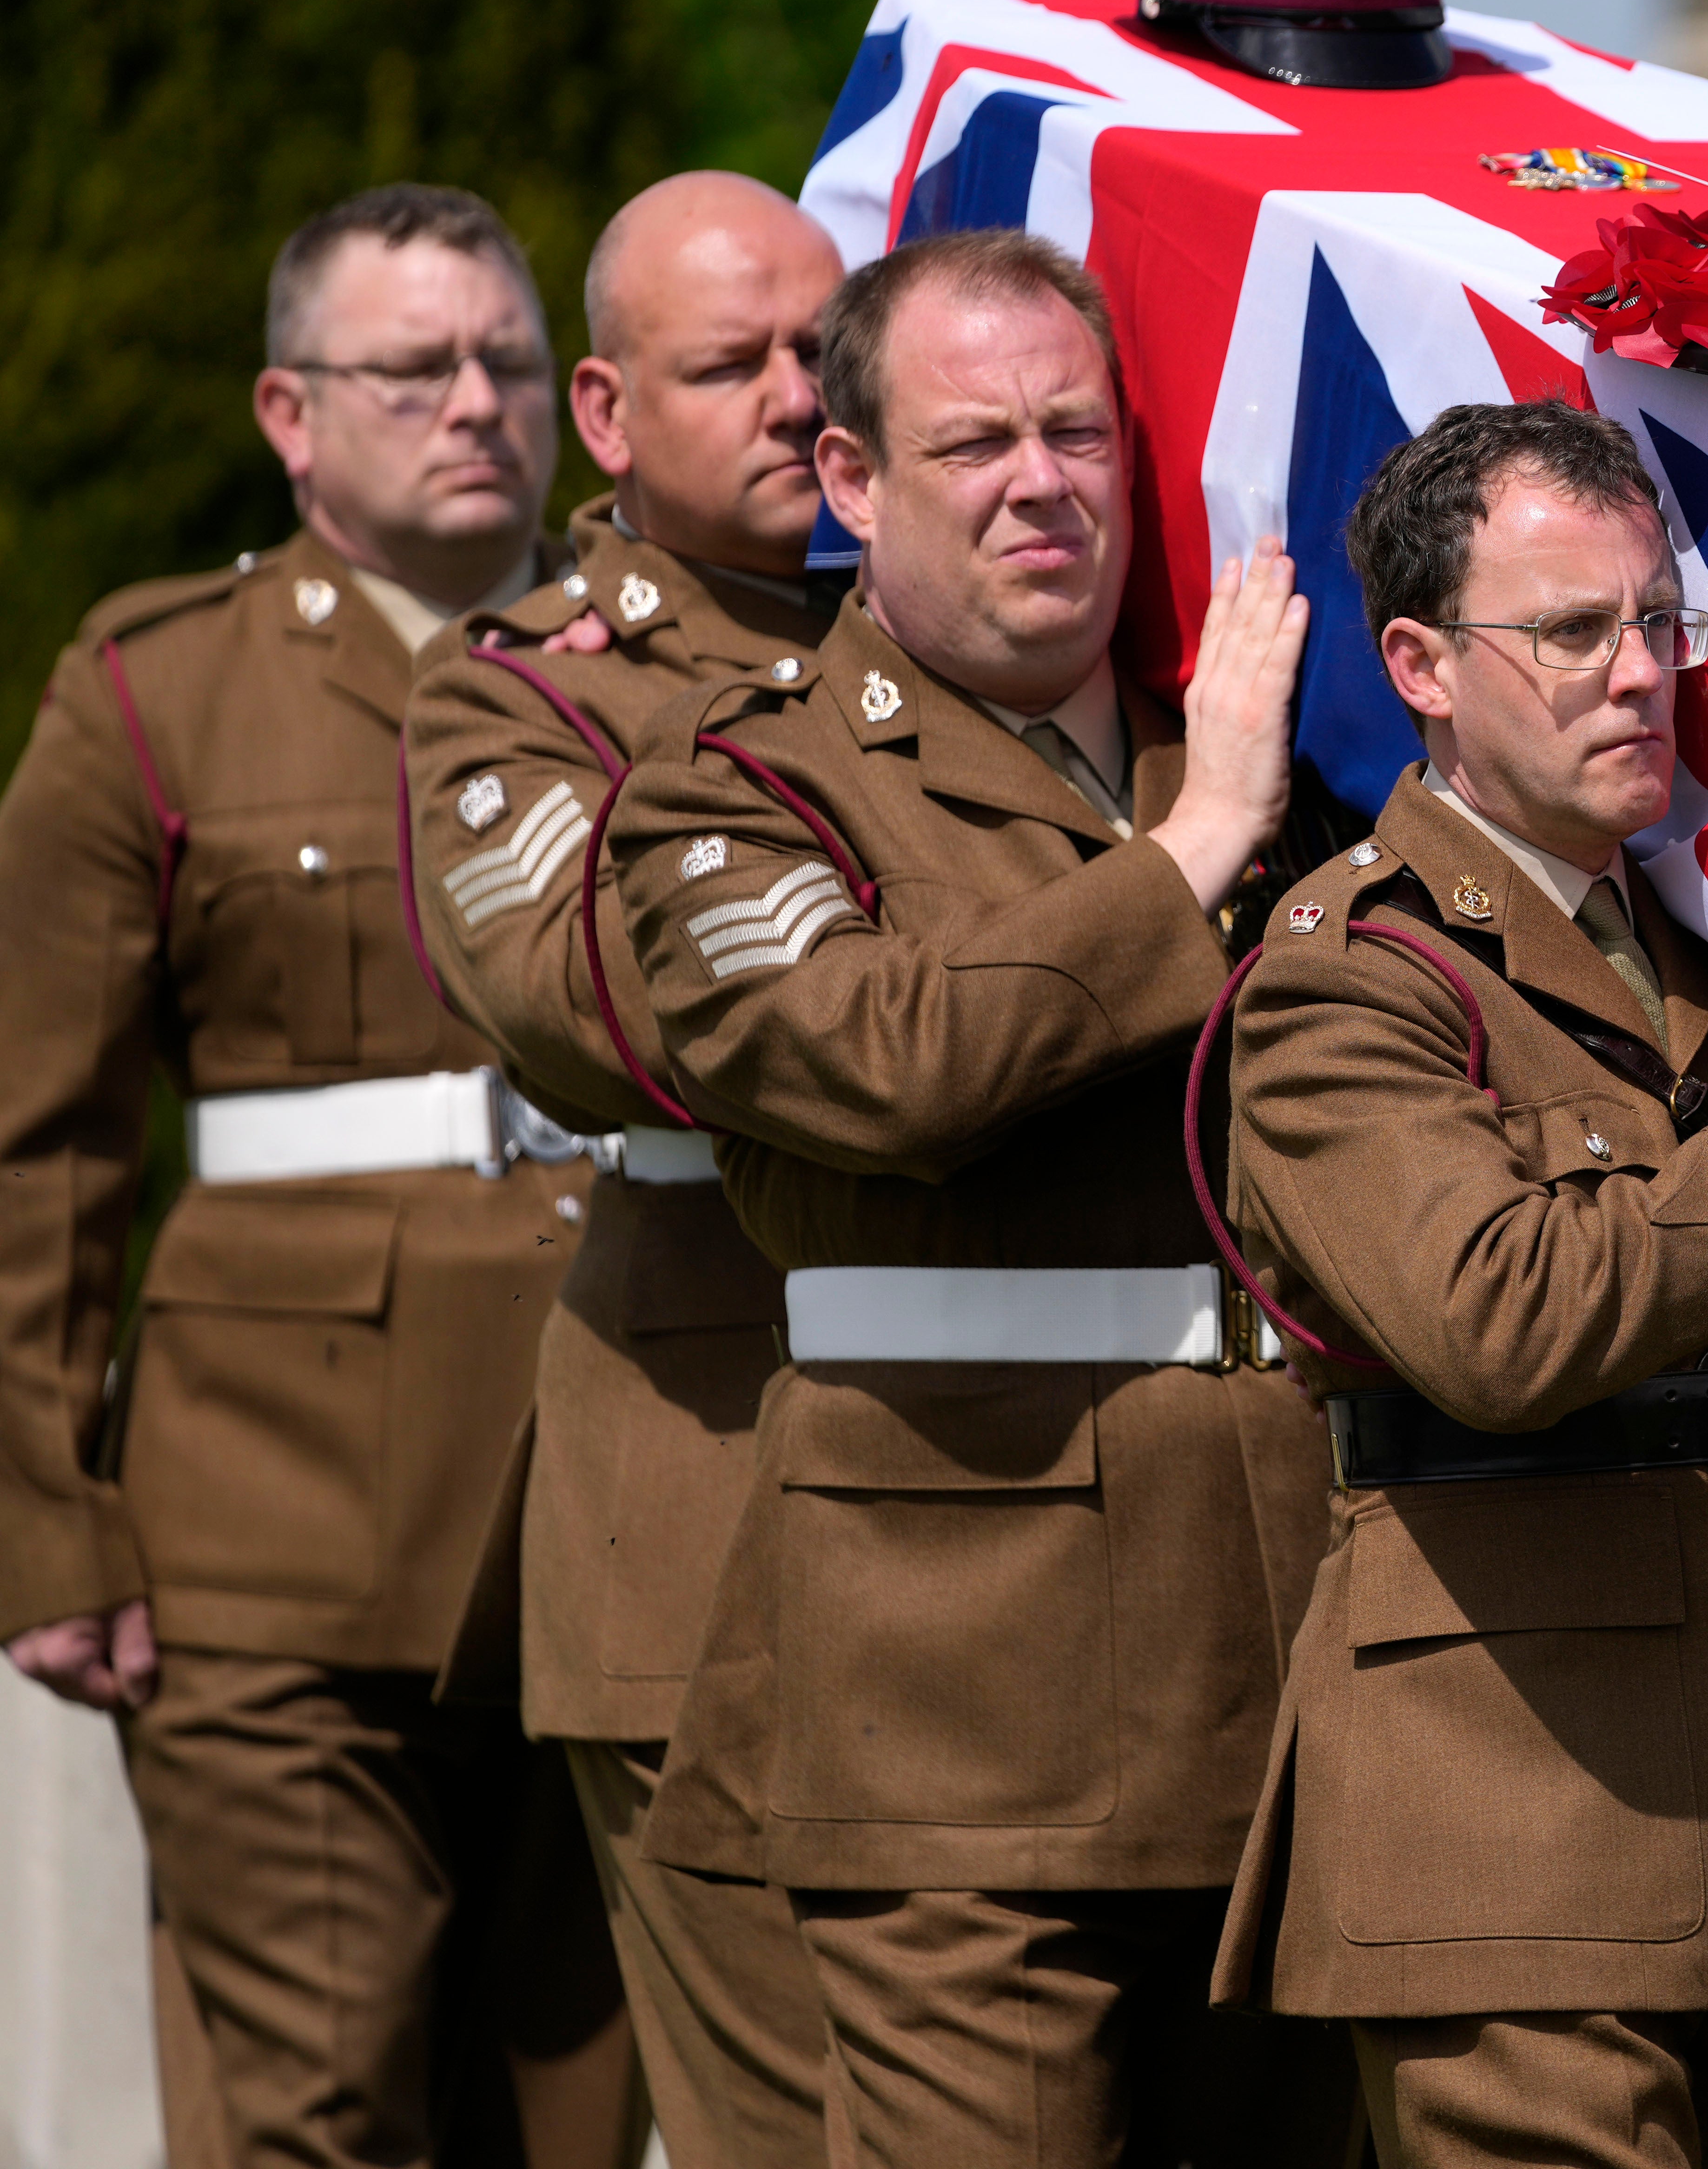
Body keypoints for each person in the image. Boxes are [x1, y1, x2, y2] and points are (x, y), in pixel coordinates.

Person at [1207, 398, 1708, 2169]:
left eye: (1660, 623)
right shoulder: (1348, 979)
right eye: (1575, 631)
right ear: (1422, 668)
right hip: (1512, 1833)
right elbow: (1502, 1319)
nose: (1643, 674)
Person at [601, 225, 1331, 2166]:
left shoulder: (1262, 749)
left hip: (1287, 1652)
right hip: (952, 1685)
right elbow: (885, 1063)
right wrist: (1193, 850)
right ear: (851, 481)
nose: (1041, 484)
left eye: (1078, 433)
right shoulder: (737, 787)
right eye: (975, 442)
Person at [0, 183, 639, 2168]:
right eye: (413, 369)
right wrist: (43, 1522)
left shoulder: (668, 665)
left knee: (572, 2123)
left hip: (619, 1496)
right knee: (319, 2120)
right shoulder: (159, 685)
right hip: (268, 1527)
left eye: (507, 361)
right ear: (291, 415)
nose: (474, 403)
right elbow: (40, 1146)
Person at [406, 171, 848, 2164]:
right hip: (703, 1489)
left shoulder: (975, 647)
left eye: (823, 350)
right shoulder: (529, 687)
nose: (794, 397)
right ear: (603, 411)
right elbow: (613, 1009)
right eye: (730, 362)